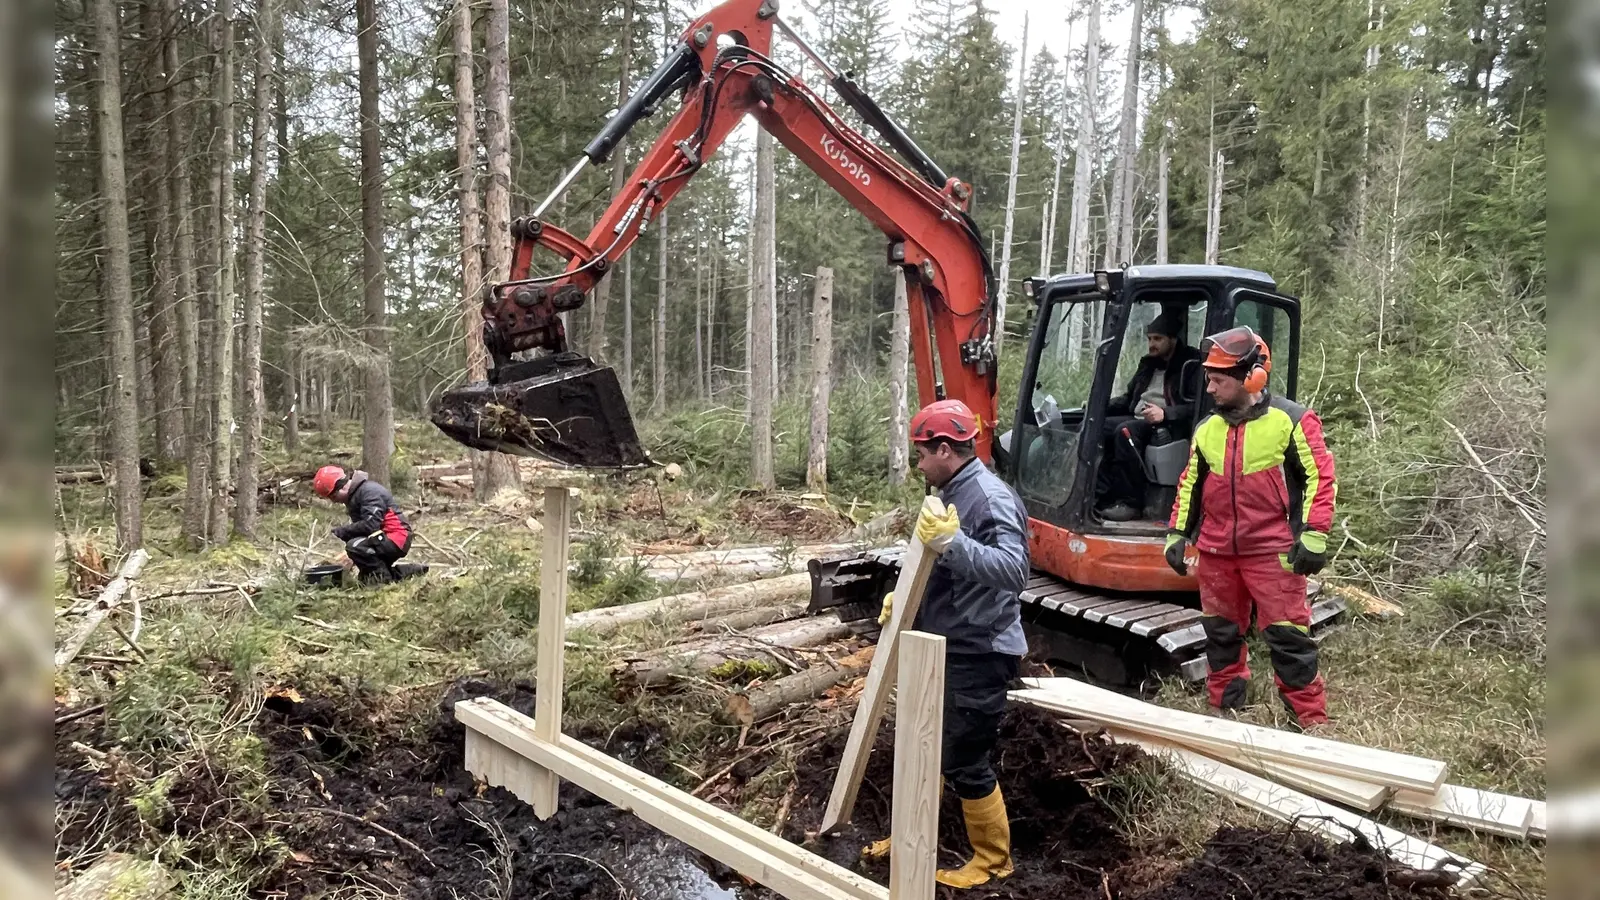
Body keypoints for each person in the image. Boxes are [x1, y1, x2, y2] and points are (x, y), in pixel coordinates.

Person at [864, 399, 1028, 889]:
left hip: (981, 651)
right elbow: (941, 569)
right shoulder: (951, 493)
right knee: (922, 743)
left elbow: (1014, 571)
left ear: (943, 450)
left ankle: (994, 860)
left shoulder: (989, 498)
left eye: (921, 454)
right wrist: (906, 599)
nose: (918, 465)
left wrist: (954, 543)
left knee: (963, 757)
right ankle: (911, 834)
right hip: (940, 643)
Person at [1164, 326, 1337, 729]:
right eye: (1209, 378)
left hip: (1273, 550)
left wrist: (1314, 534)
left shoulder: (1292, 421)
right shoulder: (1208, 429)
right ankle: (1224, 712)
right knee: (1220, 633)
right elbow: (1190, 484)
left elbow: (1320, 477)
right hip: (1217, 552)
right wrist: (1176, 533)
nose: (1210, 388)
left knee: (1288, 637)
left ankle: (1309, 722)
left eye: (1218, 380)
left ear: (1252, 377)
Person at [1099, 310, 1204, 522]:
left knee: (1125, 432)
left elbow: (1198, 405)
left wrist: (1165, 413)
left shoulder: (1191, 364)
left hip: (1168, 423)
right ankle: (1101, 494)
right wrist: (1098, 406)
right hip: (1138, 415)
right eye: (1149, 339)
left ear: (1173, 339)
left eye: (1157, 339)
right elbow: (1130, 398)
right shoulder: (1148, 364)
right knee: (1096, 427)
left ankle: (1130, 503)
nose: (1151, 344)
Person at [312, 465, 415, 584]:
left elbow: (370, 525)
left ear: (342, 487)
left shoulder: (370, 492)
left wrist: (344, 531)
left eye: (334, 497)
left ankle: (382, 581)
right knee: (365, 577)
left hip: (397, 537)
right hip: (384, 537)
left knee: (355, 546)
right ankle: (407, 572)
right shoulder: (356, 496)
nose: (334, 501)